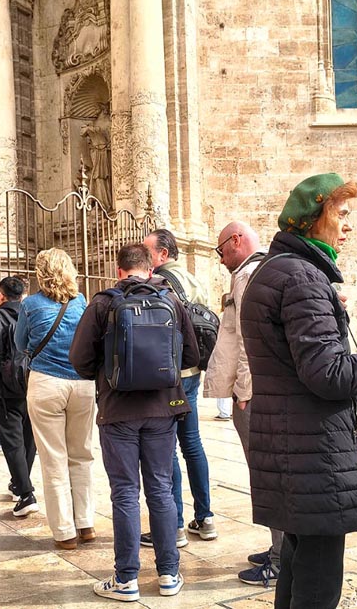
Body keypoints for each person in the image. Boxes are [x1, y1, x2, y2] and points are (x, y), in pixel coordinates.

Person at [241, 174, 357, 609]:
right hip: (313, 449)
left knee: (298, 565)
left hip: (292, 445)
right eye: (340, 214)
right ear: (312, 219)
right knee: (319, 582)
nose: (348, 225)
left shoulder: (277, 271)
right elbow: (330, 374)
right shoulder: (301, 278)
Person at [70, 243, 200, 601]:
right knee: (160, 487)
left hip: (117, 411)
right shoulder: (171, 300)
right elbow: (191, 354)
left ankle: (126, 578)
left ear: (119, 269)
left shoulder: (103, 303)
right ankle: (169, 574)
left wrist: (108, 371)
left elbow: (79, 359)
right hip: (163, 409)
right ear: (148, 267)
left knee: (125, 492)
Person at [205, 221, 281, 586]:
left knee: (268, 477)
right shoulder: (263, 269)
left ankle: (281, 559)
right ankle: (281, 549)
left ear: (236, 241)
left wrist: (245, 392)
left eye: (220, 251)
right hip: (264, 392)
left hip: (254, 394)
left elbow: (252, 341)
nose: (220, 260)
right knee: (270, 474)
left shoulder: (248, 274)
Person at [15, 248, 93, 549]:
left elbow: (20, 343)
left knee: (54, 459)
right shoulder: (81, 301)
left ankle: (65, 532)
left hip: (46, 382)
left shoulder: (30, 305)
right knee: (82, 454)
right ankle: (86, 523)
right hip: (82, 384)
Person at [143, 228, 216, 544]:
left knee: (167, 448)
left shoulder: (160, 282)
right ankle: (206, 517)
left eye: (148, 252)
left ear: (162, 254)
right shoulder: (193, 278)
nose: (145, 258)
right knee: (193, 443)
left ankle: (173, 524)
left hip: (170, 376)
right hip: (192, 372)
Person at [0, 276, 38, 517]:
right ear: (22, 295)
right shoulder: (32, 316)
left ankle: (26, 493)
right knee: (28, 438)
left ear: (1, 295)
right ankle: (19, 483)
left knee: (12, 440)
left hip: (5, 387)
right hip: (33, 382)